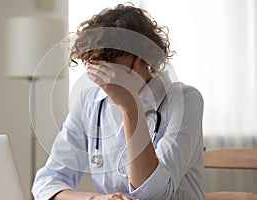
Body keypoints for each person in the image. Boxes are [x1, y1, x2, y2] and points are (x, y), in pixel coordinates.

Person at [32, 4, 205, 200]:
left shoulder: (185, 100)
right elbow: (46, 183)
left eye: (116, 71)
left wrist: (130, 106)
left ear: (145, 59)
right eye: (98, 71)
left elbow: (154, 193)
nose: (107, 82)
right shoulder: (89, 102)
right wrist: (96, 199)